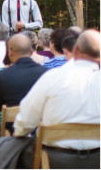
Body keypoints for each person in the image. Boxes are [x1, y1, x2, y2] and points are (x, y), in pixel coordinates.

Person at [12, 30, 100, 168]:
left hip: (53, 159)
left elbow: (26, 120)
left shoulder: (52, 77)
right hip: (97, 160)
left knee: (12, 152)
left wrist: (18, 133)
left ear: (75, 50)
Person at [0, 34, 48, 168]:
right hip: (42, 131)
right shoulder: (47, 72)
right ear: (31, 51)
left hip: (12, 130)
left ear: (10, 52)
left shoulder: (2, 75)